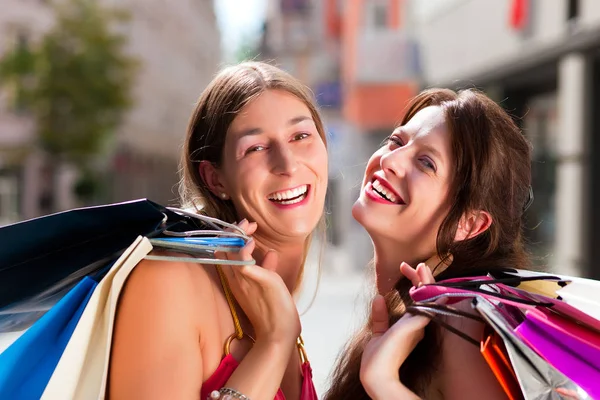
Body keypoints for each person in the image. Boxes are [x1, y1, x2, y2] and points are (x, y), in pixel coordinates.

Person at [108, 61, 329, 400]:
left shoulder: (273, 292)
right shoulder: (167, 280)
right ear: (216, 179)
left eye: (300, 136)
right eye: (256, 147)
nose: (288, 165)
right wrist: (274, 341)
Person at [322, 88, 533, 399]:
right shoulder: (412, 307)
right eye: (396, 141)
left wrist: (383, 383)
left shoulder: (466, 326)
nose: (390, 160)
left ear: (469, 223)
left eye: (426, 163)